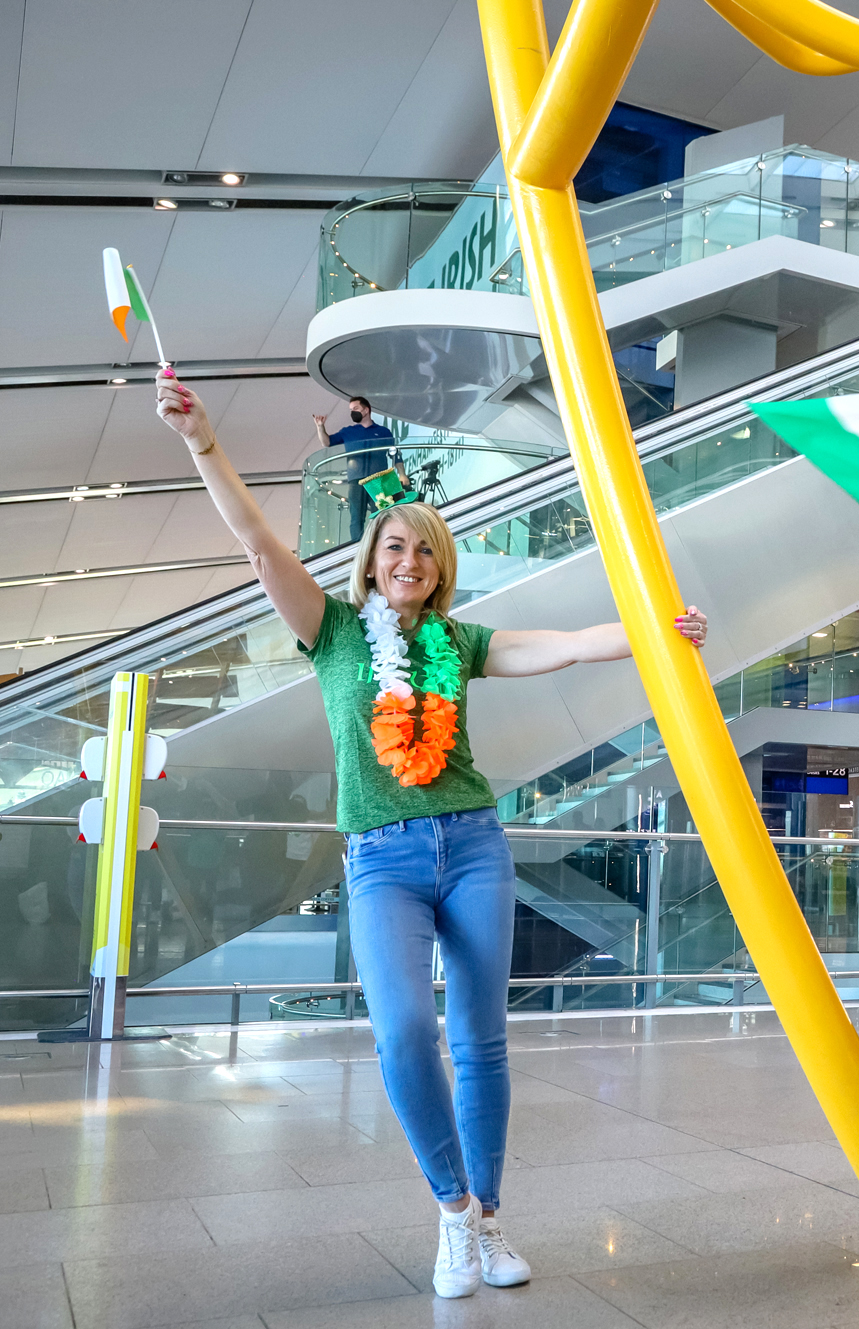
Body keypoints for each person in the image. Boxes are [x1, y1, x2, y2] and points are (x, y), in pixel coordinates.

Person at [161, 370, 707, 1300]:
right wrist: (202, 440)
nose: (410, 558)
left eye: (426, 549)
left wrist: (656, 631)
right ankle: (454, 1208)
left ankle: (487, 1220)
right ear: (373, 559)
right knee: (405, 1029)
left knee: (482, 1037)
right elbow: (257, 545)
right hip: (382, 857)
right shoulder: (332, 632)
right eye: (396, 546)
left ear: (439, 567)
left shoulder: (460, 642)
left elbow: (564, 643)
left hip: (475, 844)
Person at [315, 396, 398, 547]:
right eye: (351, 410)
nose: (352, 412)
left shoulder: (383, 431)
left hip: (378, 480)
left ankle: (383, 545)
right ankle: (357, 548)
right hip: (356, 480)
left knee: (381, 515)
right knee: (356, 516)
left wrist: (403, 475)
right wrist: (320, 427)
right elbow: (326, 442)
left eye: (355, 409)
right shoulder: (348, 432)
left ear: (366, 410)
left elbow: (395, 454)